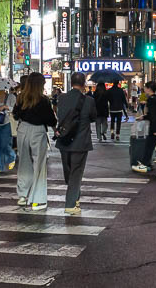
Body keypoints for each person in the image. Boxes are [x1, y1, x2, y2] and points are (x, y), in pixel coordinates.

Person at [13, 72, 56, 211]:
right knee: (39, 164)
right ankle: (38, 199)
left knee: (24, 162)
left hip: (23, 130)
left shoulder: (21, 98)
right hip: (38, 131)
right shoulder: (43, 100)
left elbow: (15, 114)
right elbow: (50, 119)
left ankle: (23, 195)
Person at [56, 72, 97, 215]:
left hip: (64, 139)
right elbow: (93, 117)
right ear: (84, 84)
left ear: (71, 82)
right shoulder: (89, 101)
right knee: (76, 172)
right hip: (80, 141)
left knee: (69, 172)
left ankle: (75, 197)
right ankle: (71, 203)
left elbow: (60, 115)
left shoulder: (61, 98)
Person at [0, 89, 17, 174]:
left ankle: (12, 157)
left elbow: (15, 110)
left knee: (5, 144)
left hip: (7, 123)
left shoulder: (11, 97)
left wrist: (5, 107)